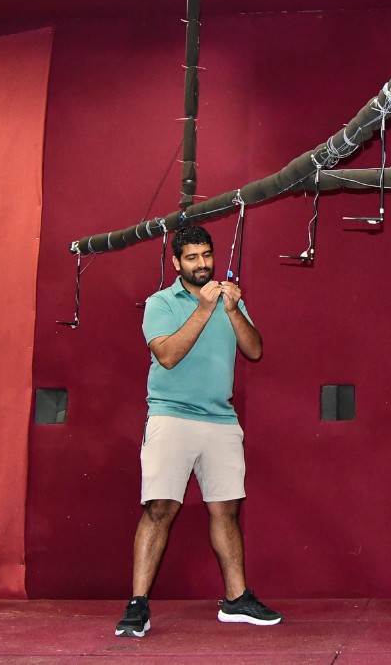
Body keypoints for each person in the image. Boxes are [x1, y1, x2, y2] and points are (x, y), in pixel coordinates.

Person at [115, 224, 281, 638]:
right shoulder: (160, 302)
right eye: (192, 257)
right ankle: (138, 605)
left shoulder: (228, 299)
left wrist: (230, 310)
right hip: (170, 416)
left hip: (220, 420)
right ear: (177, 263)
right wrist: (205, 309)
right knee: (160, 508)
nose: (202, 264)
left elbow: (255, 350)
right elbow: (167, 355)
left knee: (226, 510)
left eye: (206, 255)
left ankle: (237, 599)